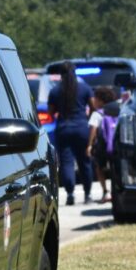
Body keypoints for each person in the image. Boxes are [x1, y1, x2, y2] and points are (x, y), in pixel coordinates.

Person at [51, 72, 94, 205]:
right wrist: (86, 118)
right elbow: (93, 106)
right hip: (81, 128)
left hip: (63, 129)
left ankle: (70, 194)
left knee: (67, 162)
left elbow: (50, 111)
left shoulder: (55, 90)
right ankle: (87, 194)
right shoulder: (85, 88)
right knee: (84, 162)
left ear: (61, 75)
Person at [86, 86, 120, 204]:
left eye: (95, 98)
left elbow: (93, 129)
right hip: (117, 146)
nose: (93, 101)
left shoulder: (98, 114)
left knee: (99, 168)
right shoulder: (119, 110)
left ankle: (106, 192)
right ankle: (117, 190)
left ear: (100, 100)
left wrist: (89, 145)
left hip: (103, 147)